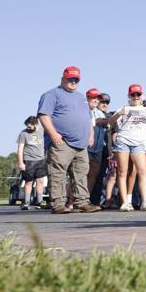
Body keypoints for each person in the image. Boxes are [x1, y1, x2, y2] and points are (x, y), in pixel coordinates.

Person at [37, 66, 101, 214]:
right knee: (58, 172)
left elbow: (88, 119)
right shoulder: (51, 95)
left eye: (76, 79)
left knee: (81, 173)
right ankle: (58, 204)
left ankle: (81, 202)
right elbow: (44, 115)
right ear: (63, 78)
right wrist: (53, 134)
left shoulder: (81, 97)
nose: (73, 82)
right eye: (70, 78)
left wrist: (90, 135)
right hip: (62, 141)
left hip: (81, 143)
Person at [108, 84, 146, 211]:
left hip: (138, 143)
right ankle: (125, 202)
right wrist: (119, 114)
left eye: (138, 94)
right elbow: (110, 122)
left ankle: (145, 201)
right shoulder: (124, 108)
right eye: (133, 94)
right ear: (129, 96)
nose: (136, 97)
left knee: (142, 171)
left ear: (142, 96)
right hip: (123, 141)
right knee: (122, 172)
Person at [16, 116, 46, 209]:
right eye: (27, 126)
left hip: (41, 160)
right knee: (28, 182)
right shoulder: (23, 133)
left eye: (30, 126)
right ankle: (26, 202)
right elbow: (20, 149)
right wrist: (21, 163)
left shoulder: (42, 131)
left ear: (36, 124)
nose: (28, 128)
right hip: (29, 161)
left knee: (40, 181)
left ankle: (40, 202)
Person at [85, 88, 109, 204]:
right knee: (81, 175)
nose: (96, 100)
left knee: (93, 175)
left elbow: (107, 126)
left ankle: (85, 200)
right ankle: (70, 200)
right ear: (87, 98)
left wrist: (107, 123)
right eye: (93, 98)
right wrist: (96, 122)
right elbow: (80, 124)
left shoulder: (100, 113)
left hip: (98, 148)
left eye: (97, 98)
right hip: (85, 147)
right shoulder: (82, 109)